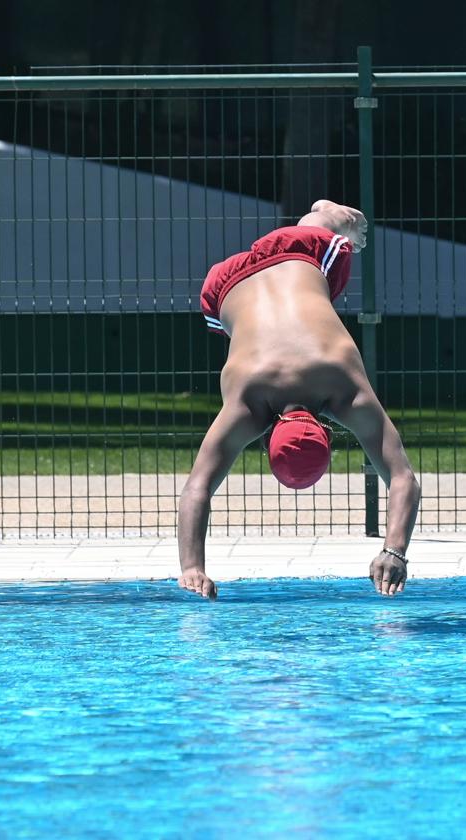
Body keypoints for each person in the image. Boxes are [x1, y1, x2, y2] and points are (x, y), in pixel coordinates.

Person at [178, 200, 420, 599]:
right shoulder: (249, 405)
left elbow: (403, 480)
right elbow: (196, 489)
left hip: (295, 256)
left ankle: (330, 217)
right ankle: (330, 217)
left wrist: (395, 551)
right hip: (223, 287)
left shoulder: (342, 390)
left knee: (324, 226)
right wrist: (192, 569)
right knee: (247, 316)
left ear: (327, 429)